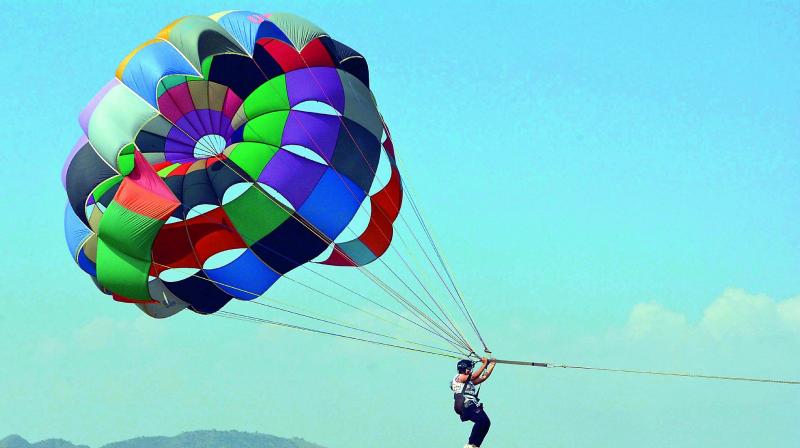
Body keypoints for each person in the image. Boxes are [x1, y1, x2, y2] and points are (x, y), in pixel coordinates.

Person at [452, 357, 496, 447]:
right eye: (469, 369)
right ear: (463, 369)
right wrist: (484, 364)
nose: (470, 371)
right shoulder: (458, 377)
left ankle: (474, 445)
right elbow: (474, 376)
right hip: (466, 404)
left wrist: (492, 365)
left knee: (485, 422)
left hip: (471, 405)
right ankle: (470, 443)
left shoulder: (469, 382)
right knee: (482, 420)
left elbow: (483, 378)